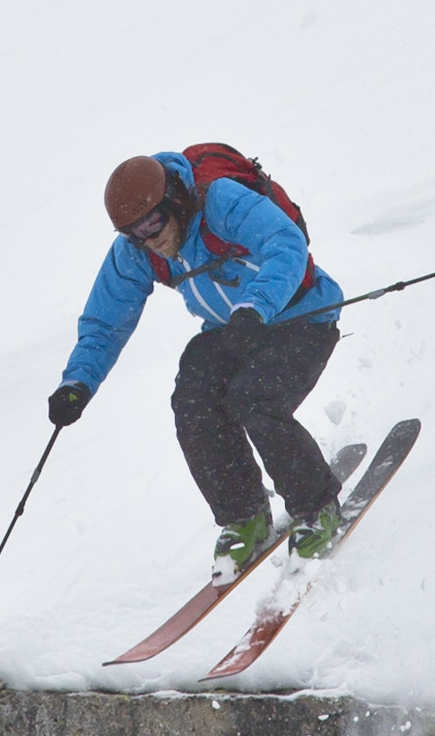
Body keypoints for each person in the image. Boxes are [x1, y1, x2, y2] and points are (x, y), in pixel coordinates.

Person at [49, 149, 348, 580]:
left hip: (301, 316)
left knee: (254, 398)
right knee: (193, 397)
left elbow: (286, 245)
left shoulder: (221, 201)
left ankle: (317, 505)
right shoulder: (137, 250)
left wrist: (255, 306)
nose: (148, 239)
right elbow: (105, 321)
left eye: (152, 223)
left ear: (175, 201)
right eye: (133, 233)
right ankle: (243, 515)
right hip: (233, 328)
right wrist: (77, 383)